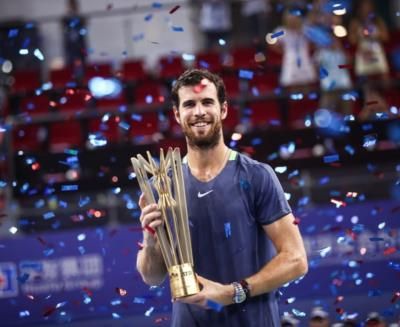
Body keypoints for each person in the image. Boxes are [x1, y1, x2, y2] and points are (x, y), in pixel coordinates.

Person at [136, 68, 308, 327]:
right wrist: (150, 239)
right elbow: (152, 276)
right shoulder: (161, 185)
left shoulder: (257, 176)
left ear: (223, 109)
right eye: (189, 104)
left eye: (207, 102)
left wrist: (231, 292)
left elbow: (296, 260)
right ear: (177, 114)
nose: (199, 112)